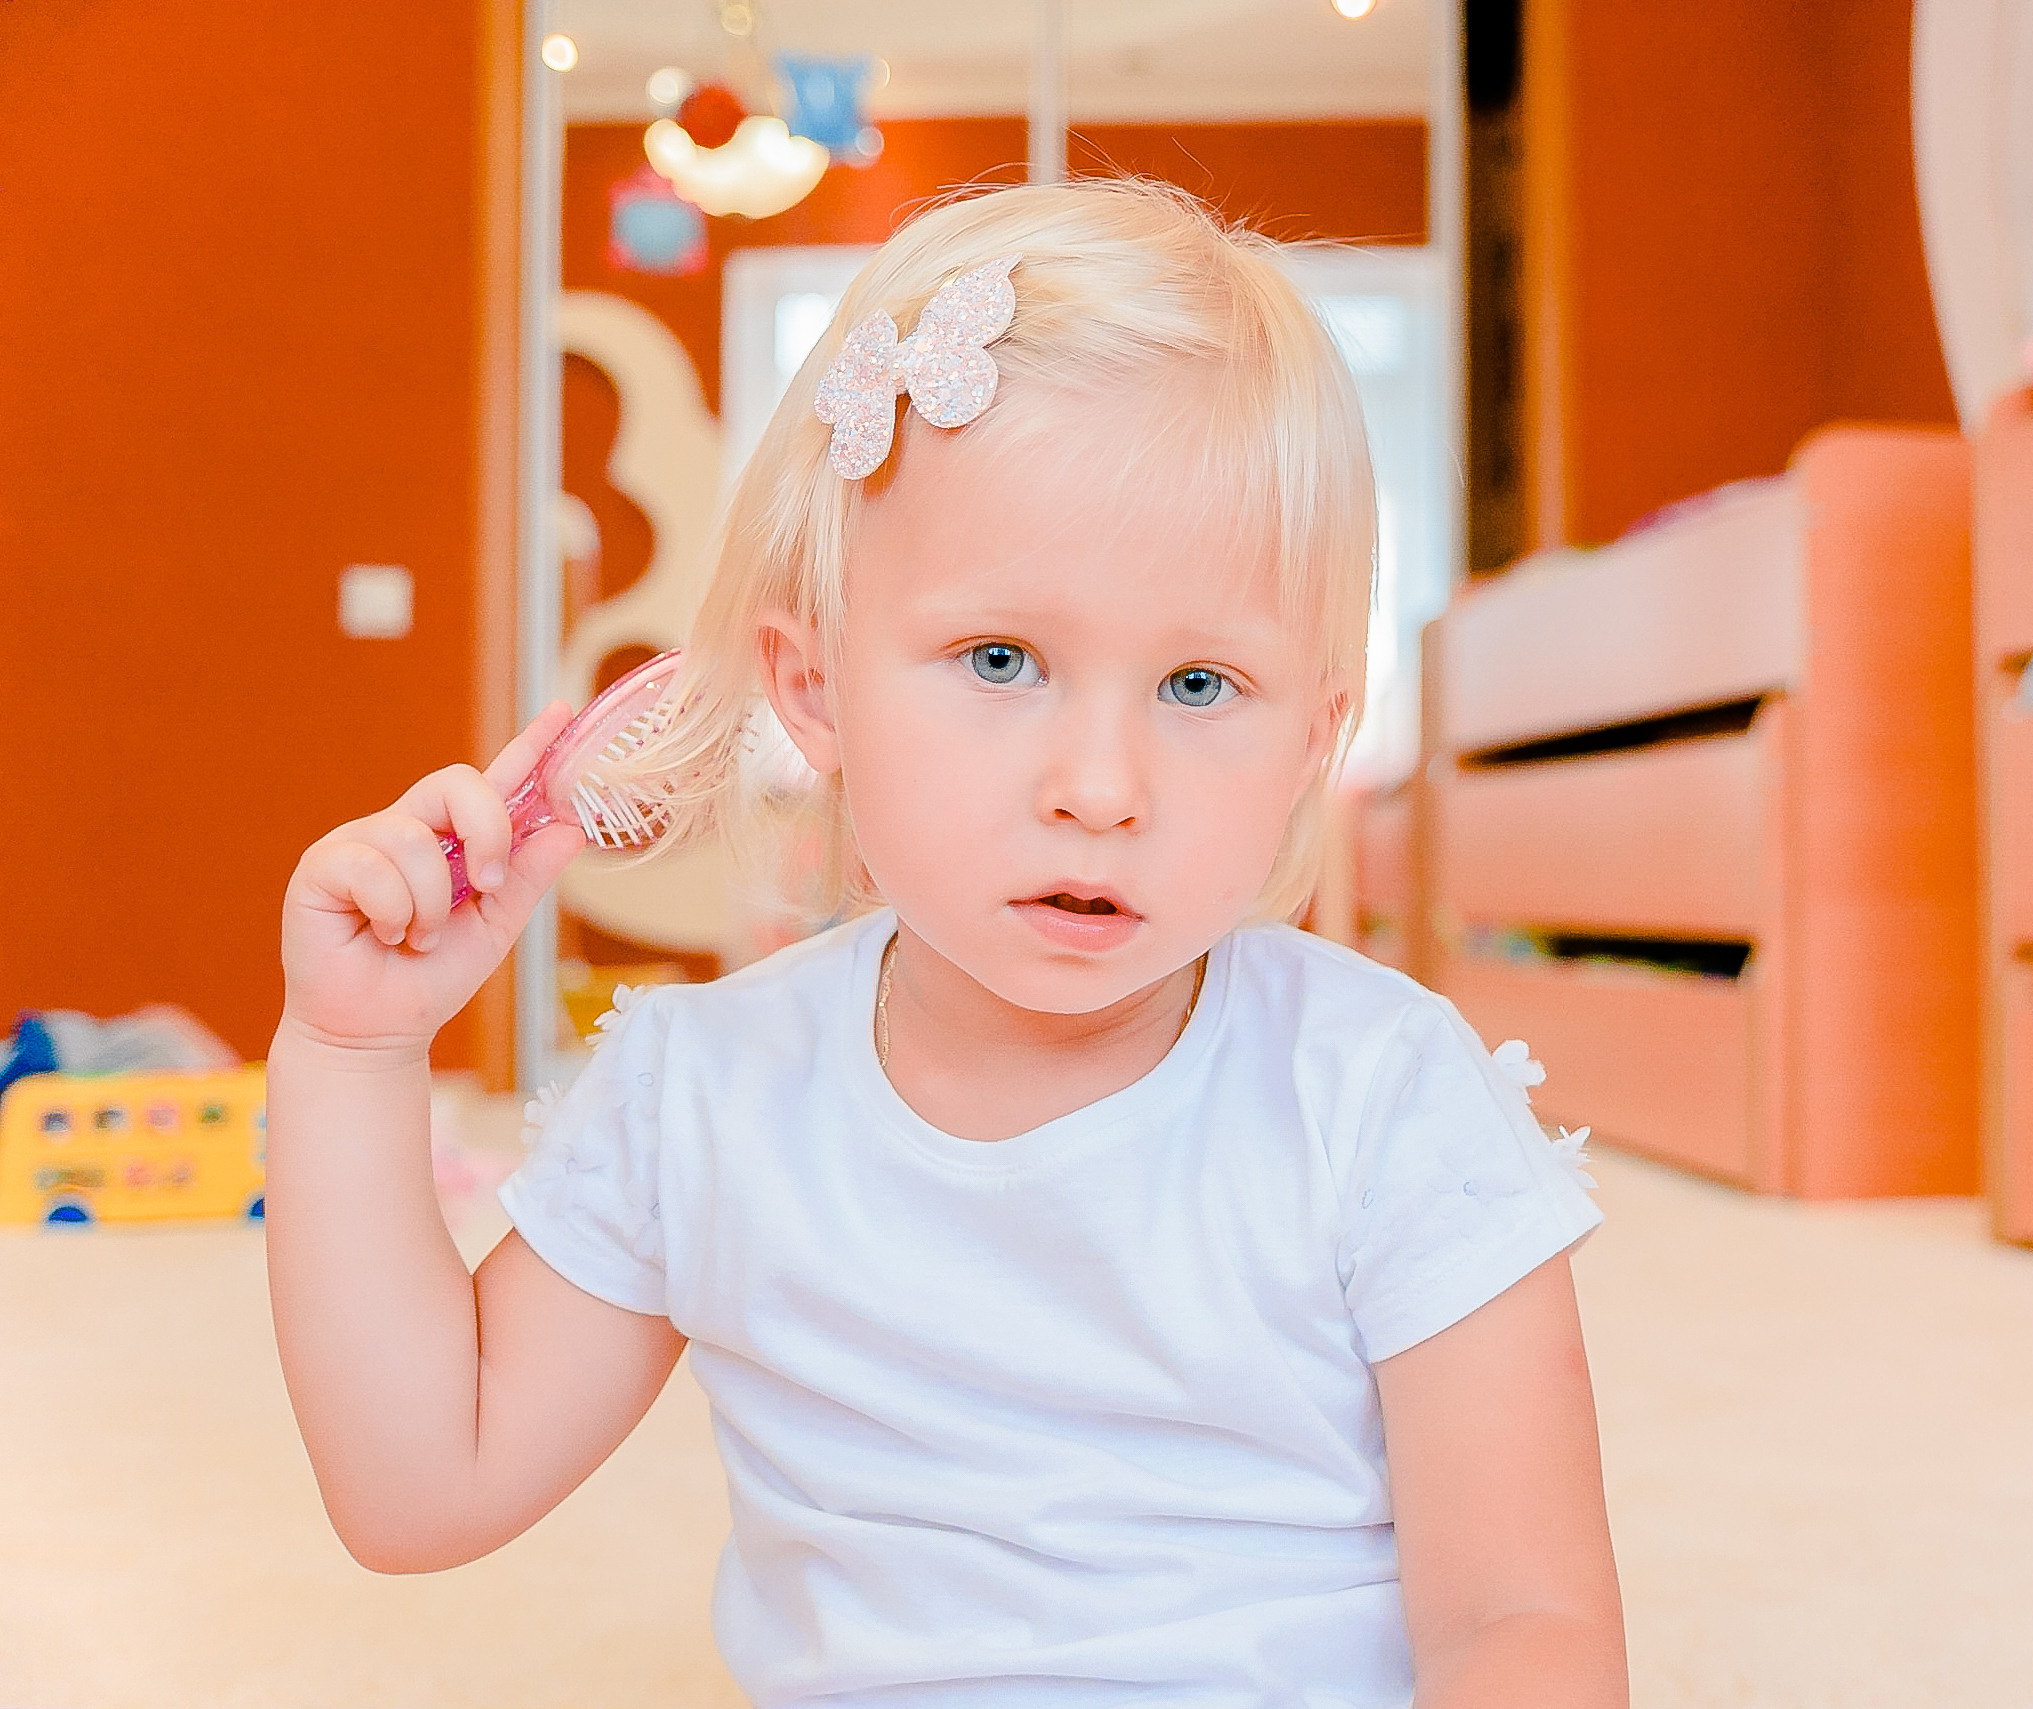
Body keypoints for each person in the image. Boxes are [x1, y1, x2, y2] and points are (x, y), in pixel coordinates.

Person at [269, 178, 1624, 1708]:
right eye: (1001, 659)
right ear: (817, 684)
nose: (1100, 789)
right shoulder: (705, 1096)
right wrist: (355, 1052)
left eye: (1197, 686)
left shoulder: (1382, 1095)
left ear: (1316, 733)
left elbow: (1524, 1620)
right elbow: (417, 1489)